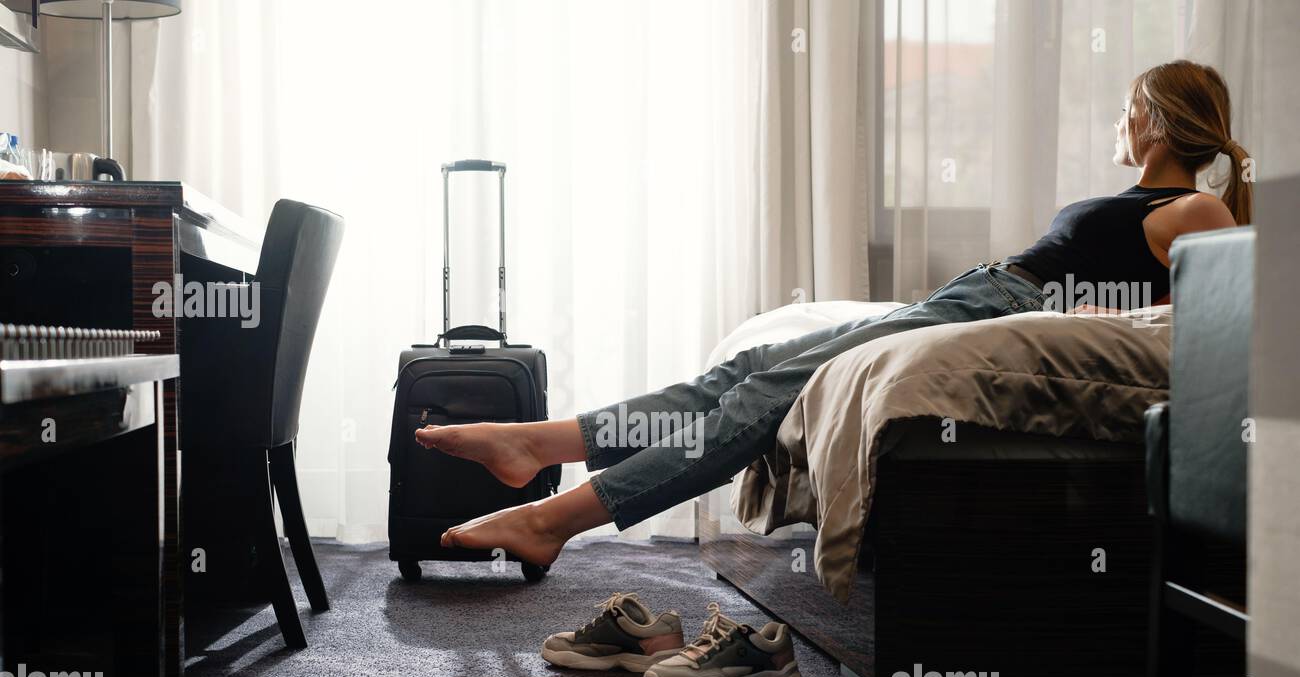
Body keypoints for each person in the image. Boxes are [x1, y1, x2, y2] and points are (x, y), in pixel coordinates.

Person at [415, 60, 1251, 569]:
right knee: (743, 375)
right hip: (976, 294)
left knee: (759, 400)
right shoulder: (1148, 200)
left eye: (1128, 104)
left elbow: (1207, 315)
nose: (1119, 117)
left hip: (1002, 303)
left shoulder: (1197, 210)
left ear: (1153, 115)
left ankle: (554, 518)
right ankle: (542, 446)